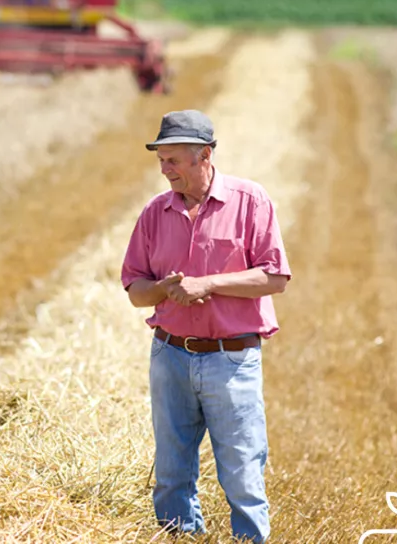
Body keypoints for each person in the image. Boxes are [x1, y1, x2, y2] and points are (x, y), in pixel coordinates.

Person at [120, 110, 291, 543]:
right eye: (161, 160)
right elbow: (136, 290)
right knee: (172, 473)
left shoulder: (251, 201)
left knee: (242, 475)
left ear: (205, 156)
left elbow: (274, 278)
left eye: (173, 160)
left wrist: (208, 284)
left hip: (231, 360)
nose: (165, 170)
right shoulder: (155, 212)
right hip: (170, 355)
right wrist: (164, 288)